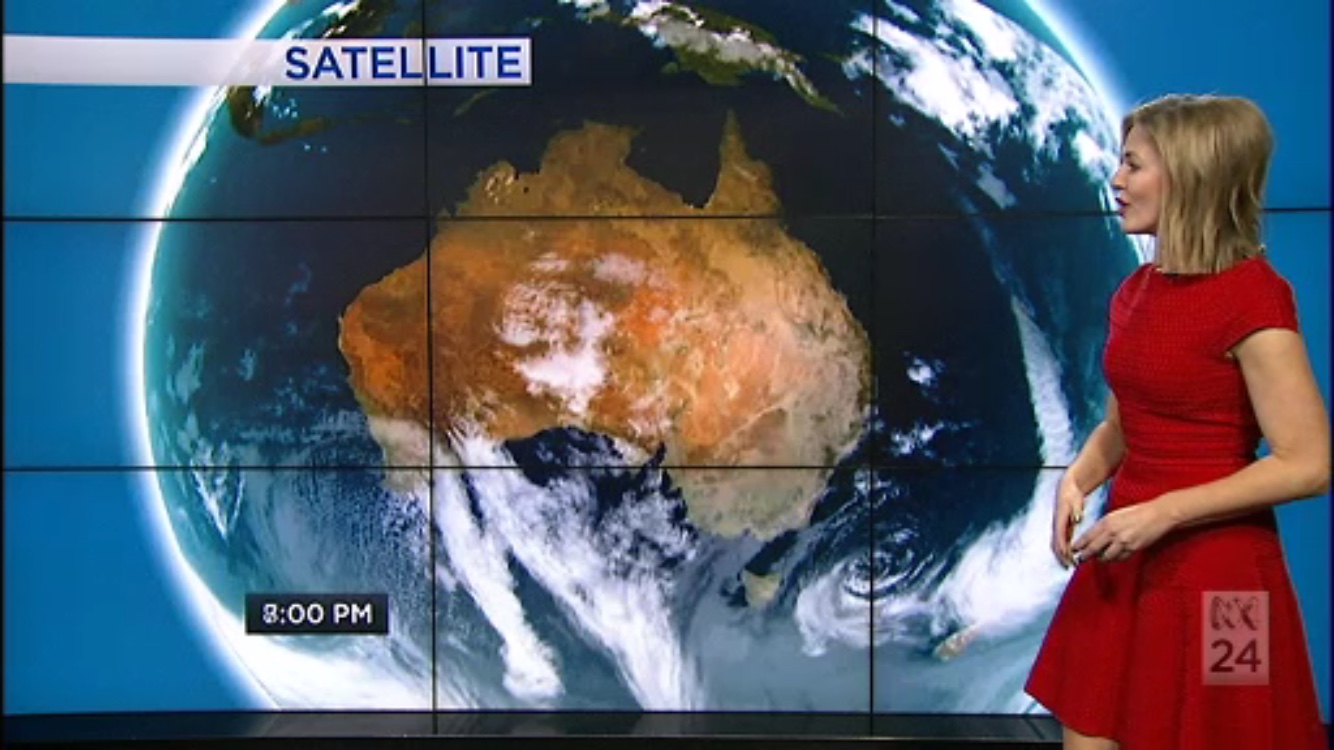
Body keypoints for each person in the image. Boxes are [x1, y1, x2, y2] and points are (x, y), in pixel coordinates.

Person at [1025, 94, 1330, 749]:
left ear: (1191, 177)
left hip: (1229, 578)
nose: (1116, 179)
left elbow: (1308, 464)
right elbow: (1123, 425)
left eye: (1133, 165)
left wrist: (1163, 513)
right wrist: (1077, 479)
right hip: (1124, 556)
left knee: (1235, 730)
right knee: (1089, 724)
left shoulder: (1256, 298)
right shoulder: (1135, 292)